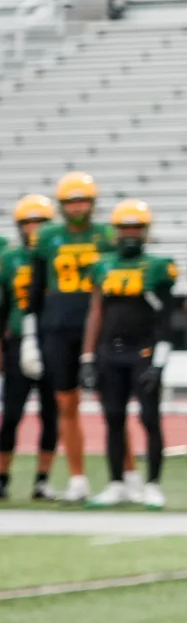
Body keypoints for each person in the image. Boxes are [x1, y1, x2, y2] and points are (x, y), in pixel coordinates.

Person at [78, 200, 176, 510]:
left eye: (136, 227)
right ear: (116, 232)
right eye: (125, 228)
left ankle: (153, 484)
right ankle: (117, 483)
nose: (131, 234)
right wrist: (88, 357)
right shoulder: (103, 264)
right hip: (110, 350)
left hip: (143, 350)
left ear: (146, 231)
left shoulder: (159, 266)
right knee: (114, 418)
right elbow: (95, 314)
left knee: (150, 418)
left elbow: (167, 319)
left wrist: (159, 363)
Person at [25, 172, 112, 503]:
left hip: (98, 329)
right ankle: (78, 477)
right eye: (72, 202)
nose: (78, 208)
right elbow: (34, 291)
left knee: (112, 404)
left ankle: (124, 475)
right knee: (65, 402)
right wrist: (32, 337)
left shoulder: (106, 235)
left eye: (83, 201)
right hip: (58, 327)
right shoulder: (47, 237)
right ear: (62, 206)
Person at [0, 195, 57, 501]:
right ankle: (2, 477)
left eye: (39, 223)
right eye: (28, 223)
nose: (34, 229)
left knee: (51, 414)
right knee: (11, 414)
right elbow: (2, 304)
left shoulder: (56, 258)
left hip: (53, 341)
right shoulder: (9, 258)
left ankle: (43, 480)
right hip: (19, 341)